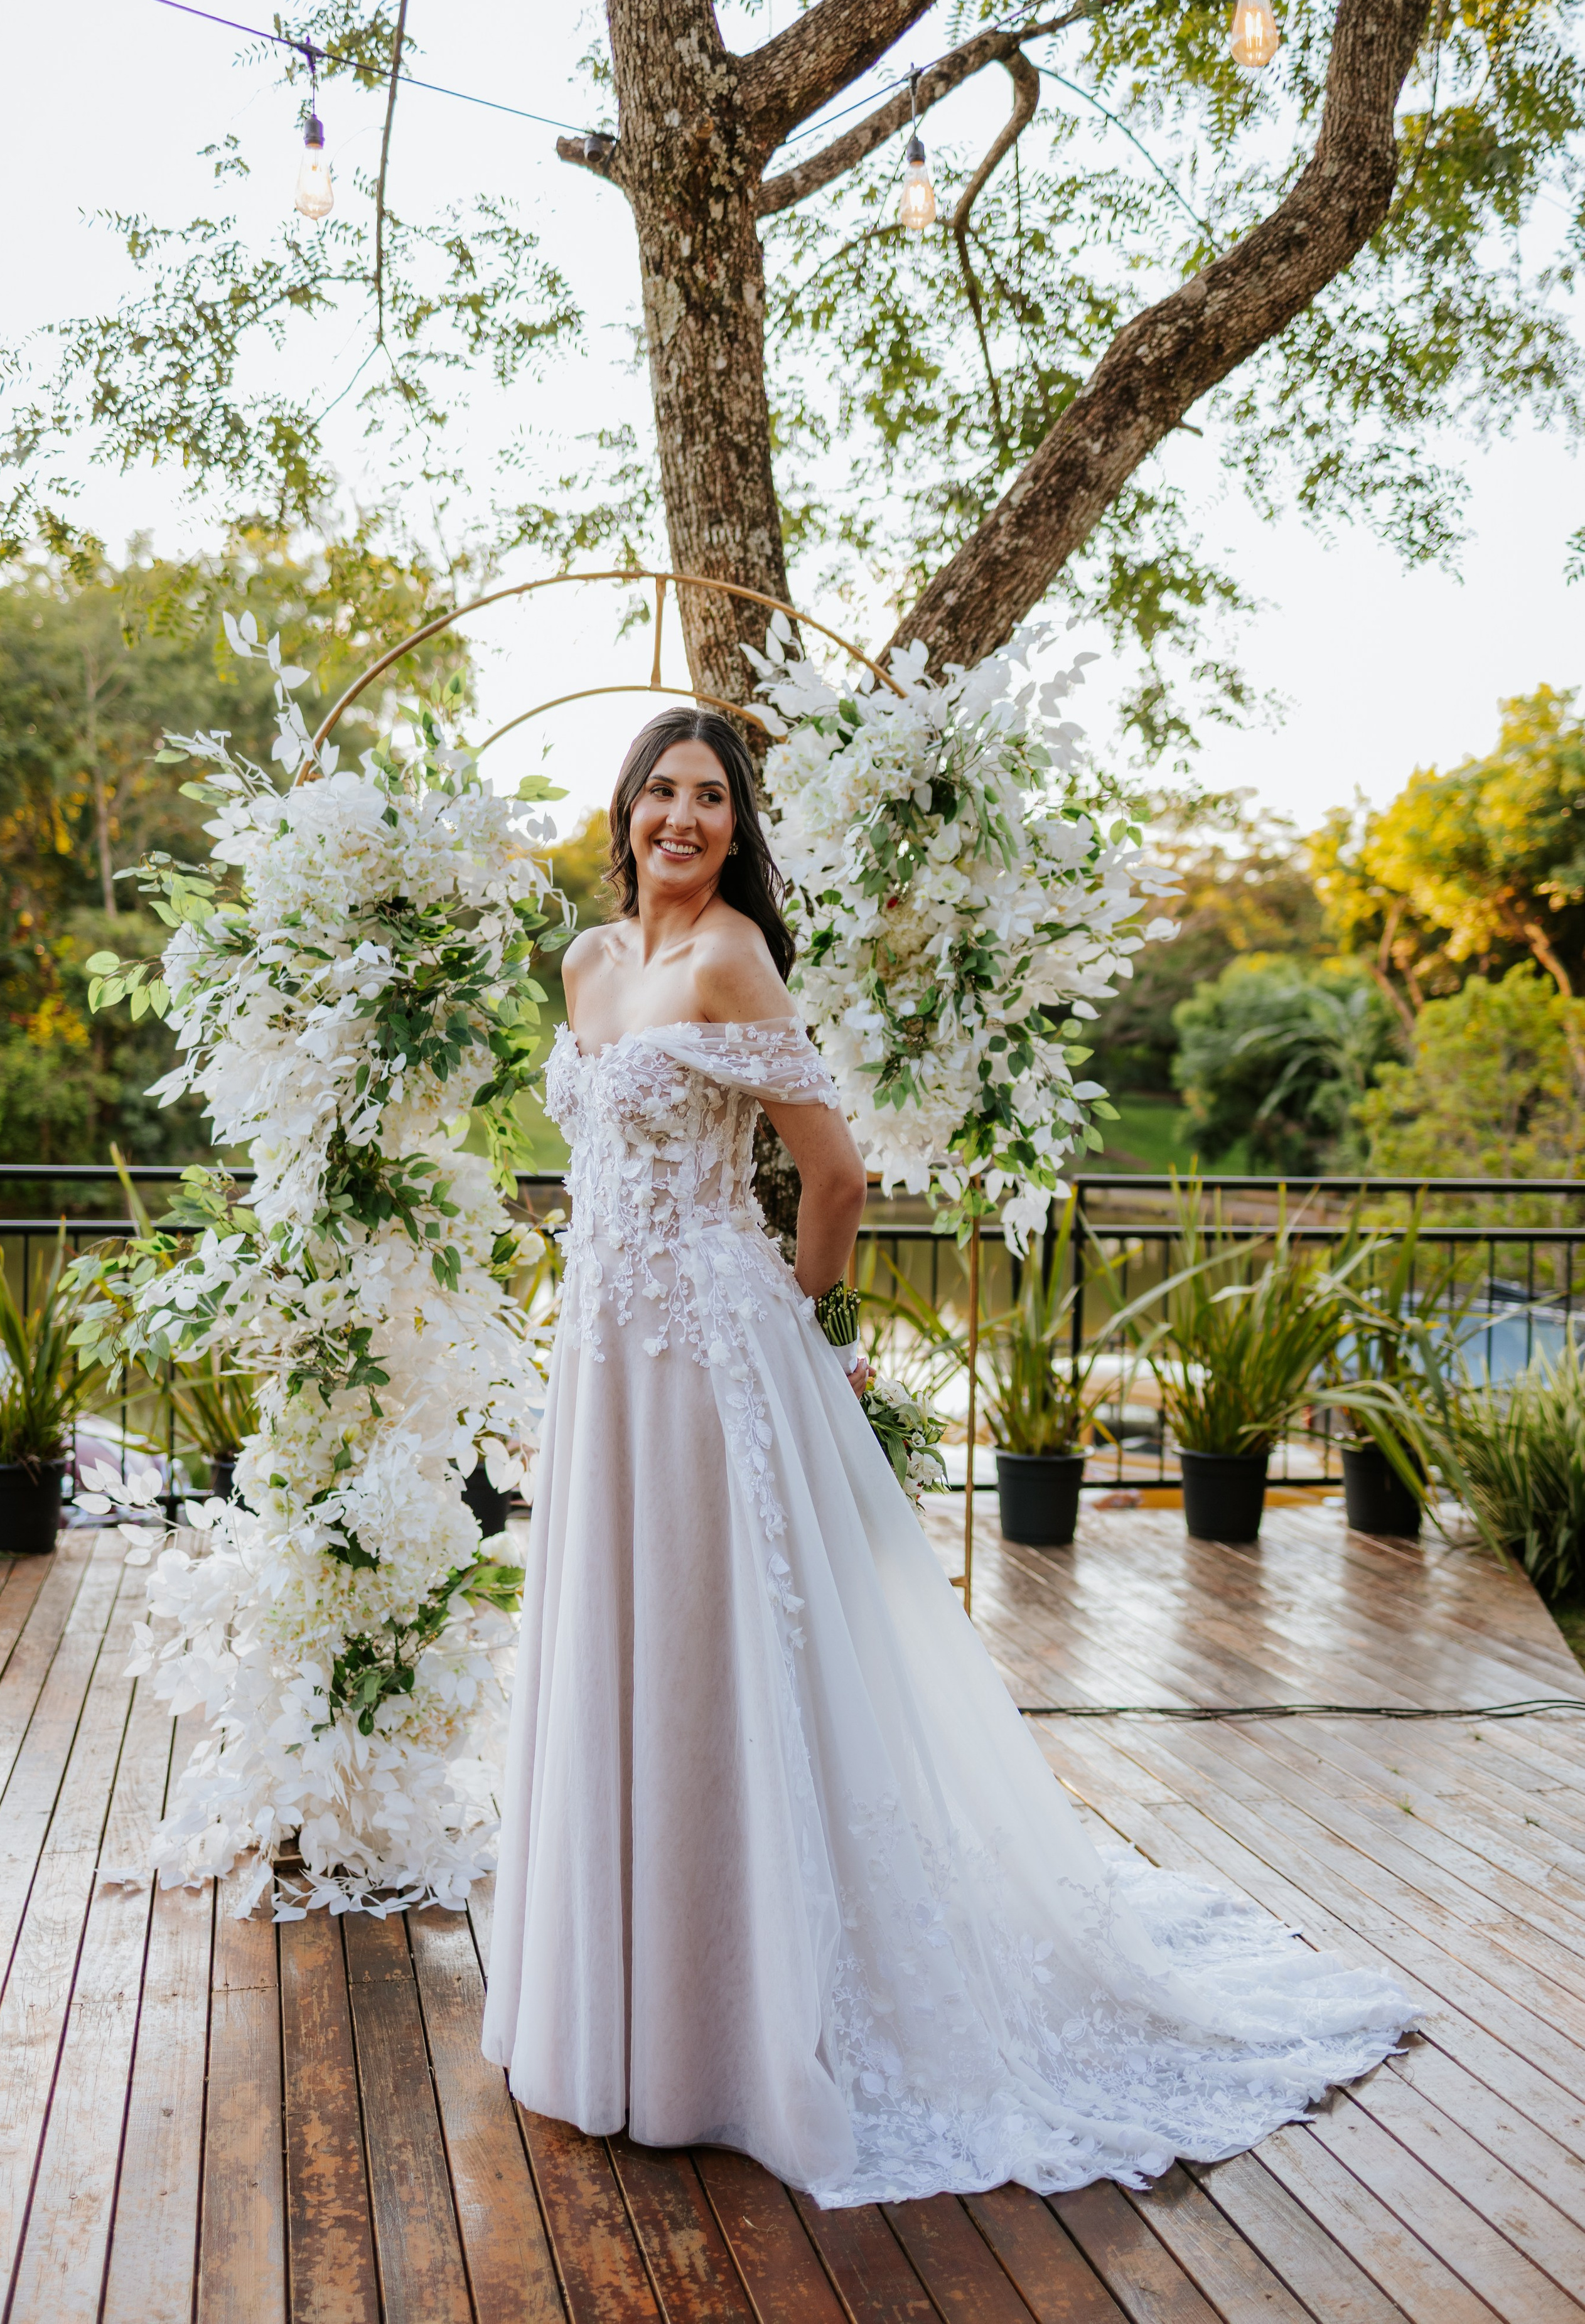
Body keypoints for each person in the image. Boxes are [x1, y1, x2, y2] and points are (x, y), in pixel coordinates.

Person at [481, 708, 1414, 2207]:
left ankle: (731, 2030)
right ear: (624, 807)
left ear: (736, 827)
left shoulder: (729, 954)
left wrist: (781, 1306)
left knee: (717, 1655)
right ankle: (617, 2005)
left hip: (710, 1354)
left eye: (710, 798)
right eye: (661, 790)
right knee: (618, 1644)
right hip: (599, 1359)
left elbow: (834, 1172)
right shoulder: (590, 965)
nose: (681, 816)